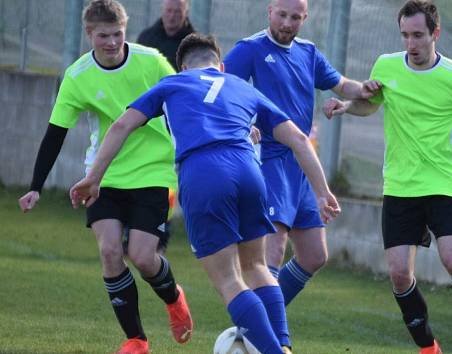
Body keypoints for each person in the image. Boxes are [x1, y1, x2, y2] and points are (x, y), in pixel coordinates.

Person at [69, 33, 340, 354]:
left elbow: (120, 126)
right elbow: (297, 138)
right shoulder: (243, 87)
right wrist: (322, 191)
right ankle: (283, 345)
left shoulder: (172, 85)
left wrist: (93, 177)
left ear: (182, 67)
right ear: (221, 66)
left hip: (204, 172)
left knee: (229, 280)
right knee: (256, 267)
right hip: (250, 170)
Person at [324, 1, 452, 353]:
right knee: (400, 274)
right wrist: (346, 107)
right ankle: (429, 349)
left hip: (444, 183)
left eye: (418, 35)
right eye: (405, 35)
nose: (411, 43)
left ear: (435, 33)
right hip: (400, 186)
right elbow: (372, 104)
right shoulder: (387, 66)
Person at [17, 1, 192, 353]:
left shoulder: (152, 61)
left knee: (142, 257)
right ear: (89, 34)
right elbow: (55, 133)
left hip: (154, 169)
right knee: (110, 251)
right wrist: (36, 186)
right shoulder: (78, 76)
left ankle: (174, 298)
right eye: (103, 36)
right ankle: (136, 341)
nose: (112, 43)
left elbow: (187, 99)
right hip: (102, 174)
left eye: (117, 34)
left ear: (125, 30)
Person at [223, 0, 380, 307]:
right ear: (269, 11)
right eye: (282, 15)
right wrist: (244, 126)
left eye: (295, 17)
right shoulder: (248, 49)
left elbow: (341, 84)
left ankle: (261, 321)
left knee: (314, 255)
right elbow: (222, 93)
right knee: (274, 246)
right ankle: (263, 333)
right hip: (267, 157)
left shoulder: (308, 52)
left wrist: (365, 89)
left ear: (304, 18)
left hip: (302, 161)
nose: (287, 23)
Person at [137, 0, 196, 70]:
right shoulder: (146, 38)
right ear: (162, 10)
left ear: (186, 13)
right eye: (169, 10)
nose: (172, 16)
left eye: (177, 12)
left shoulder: (194, 44)